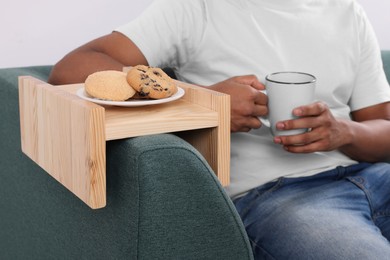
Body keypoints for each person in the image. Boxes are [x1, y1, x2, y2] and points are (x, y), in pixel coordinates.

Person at [49, 0, 390, 258]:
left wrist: (344, 132)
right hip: (279, 198)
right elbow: (73, 68)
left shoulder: (347, 12)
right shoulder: (197, 8)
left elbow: (383, 128)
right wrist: (205, 103)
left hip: (377, 175)